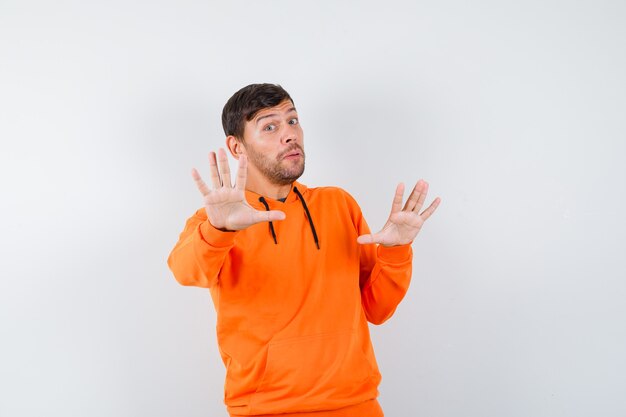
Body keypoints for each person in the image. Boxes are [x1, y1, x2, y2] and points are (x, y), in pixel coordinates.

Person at [167, 83, 441, 417]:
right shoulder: (220, 220)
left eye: (293, 121)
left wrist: (397, 250)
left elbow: (378, 309)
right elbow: (184, 270)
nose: (289, 135)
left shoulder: (337, 204)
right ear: (236, 147)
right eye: (270, 126)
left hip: (357, 406)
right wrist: (219, 229)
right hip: (266, 410)